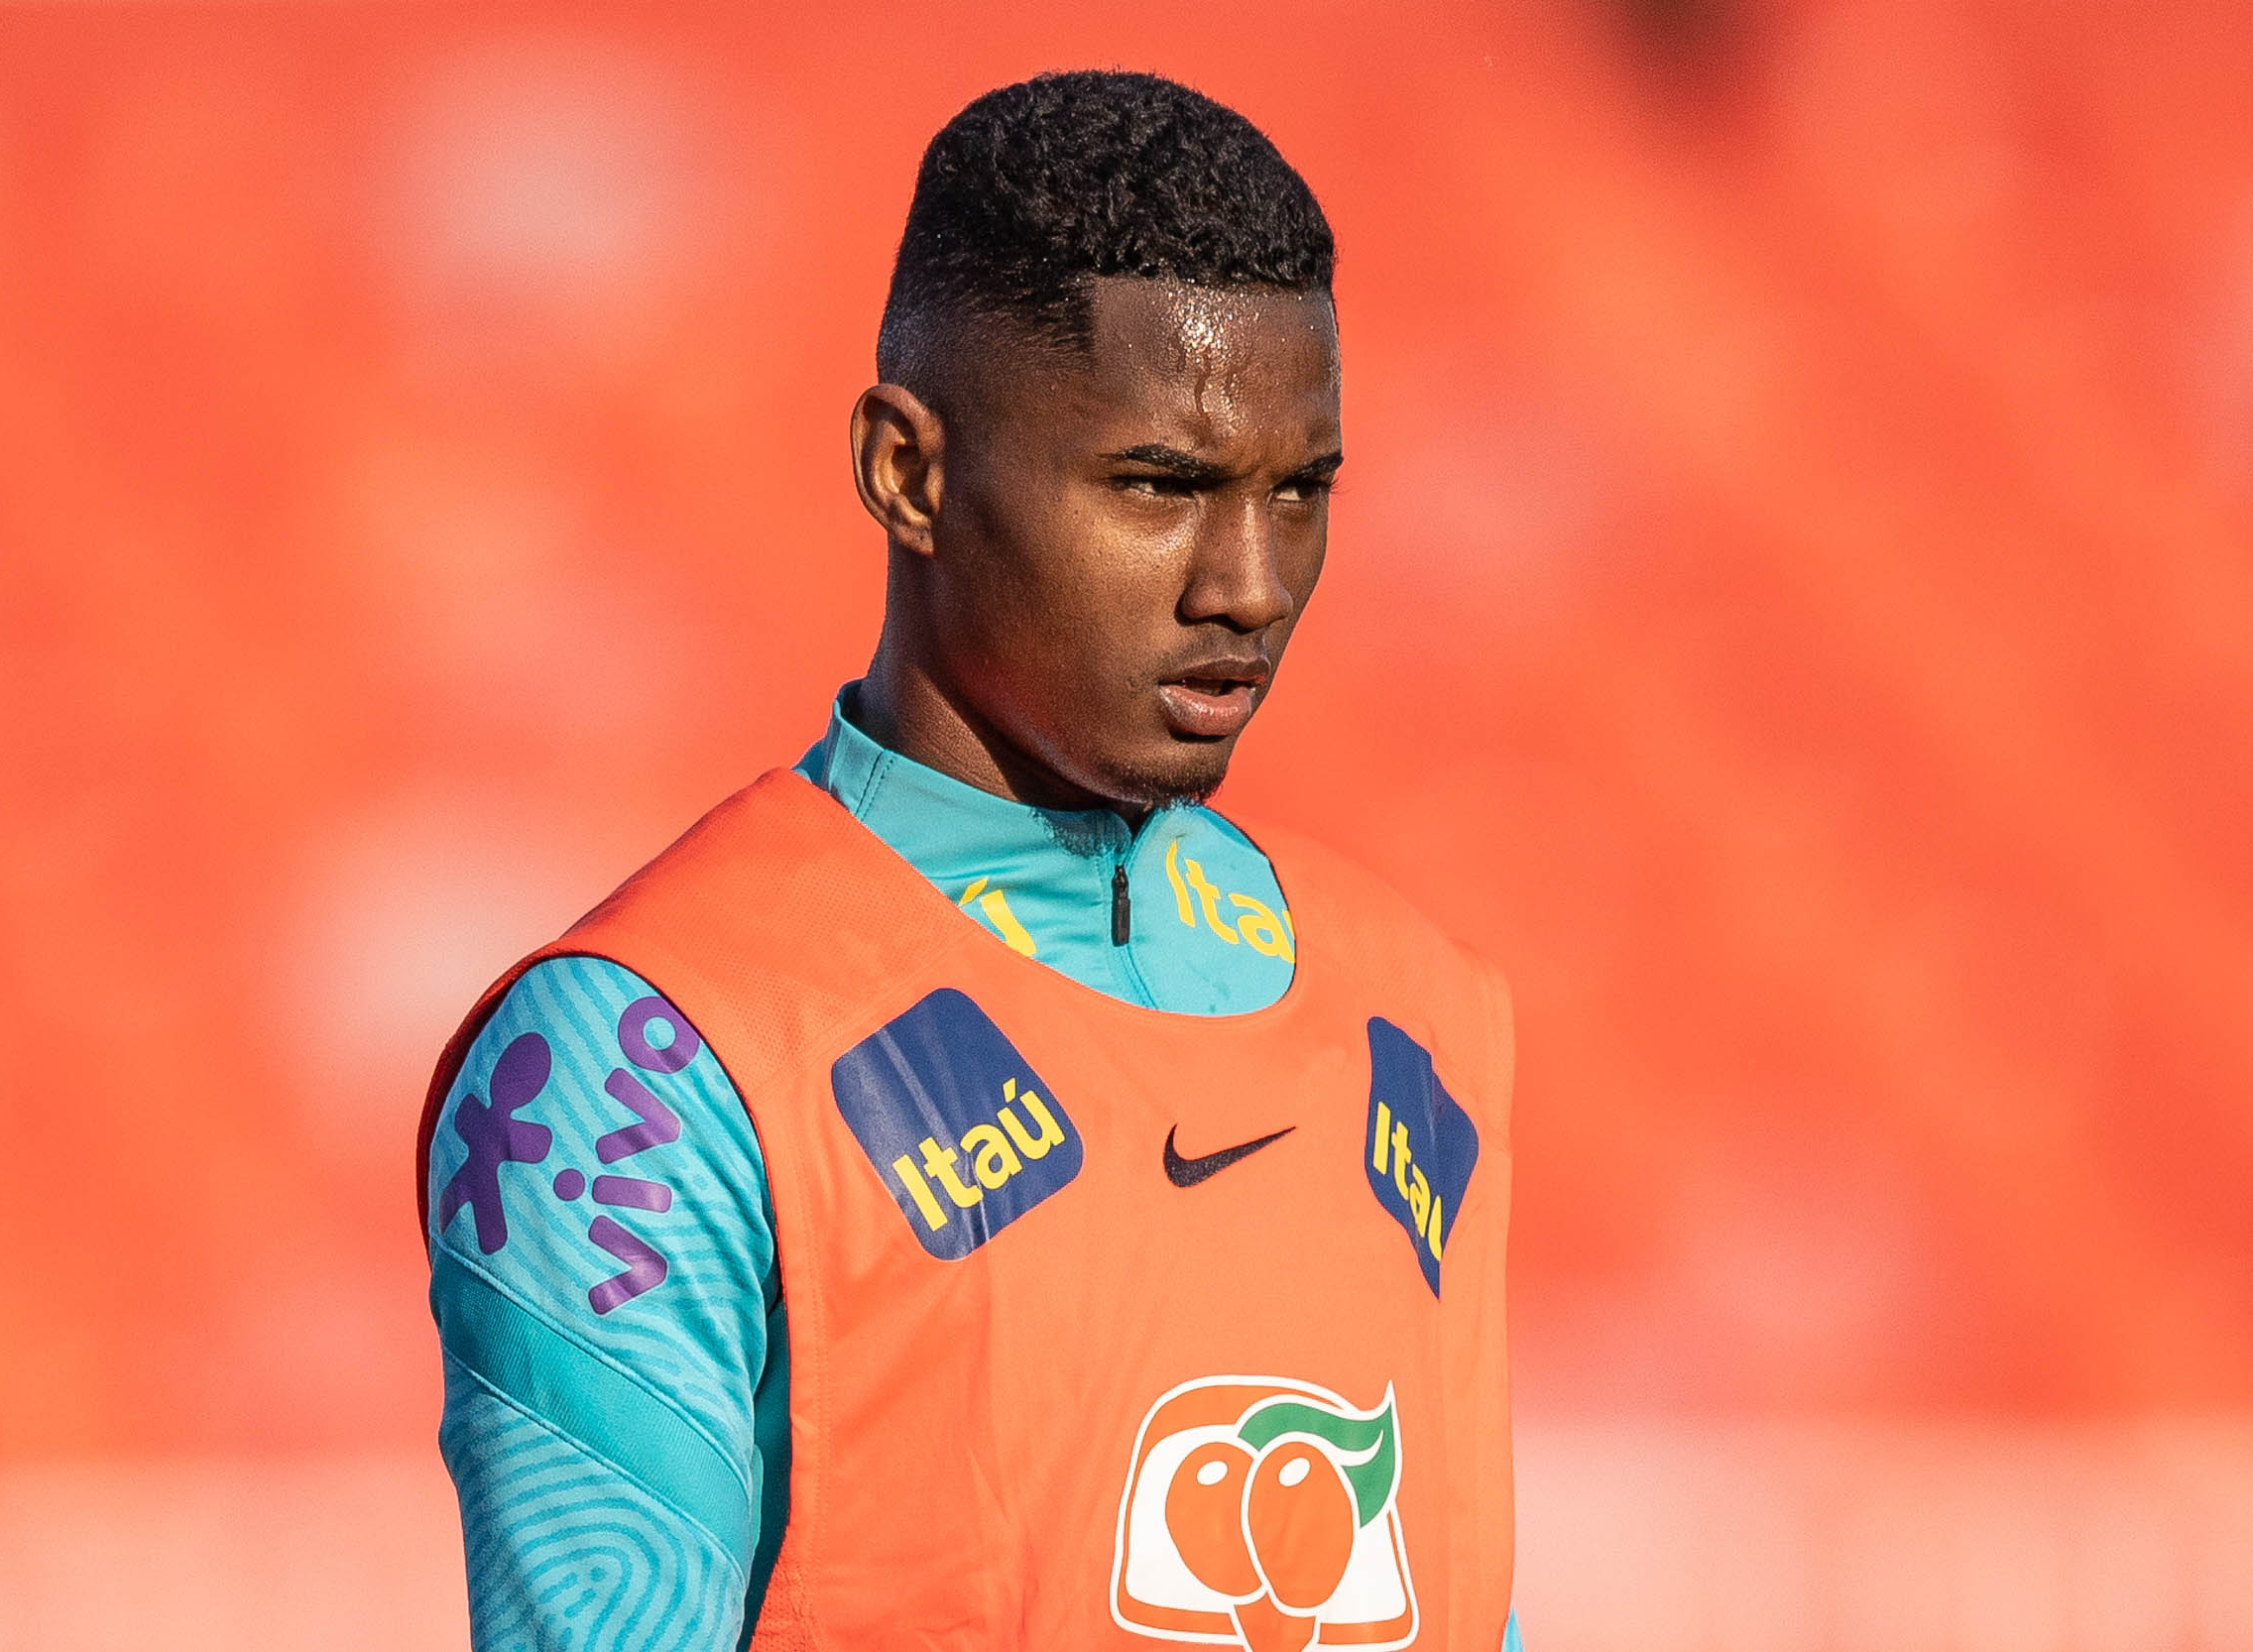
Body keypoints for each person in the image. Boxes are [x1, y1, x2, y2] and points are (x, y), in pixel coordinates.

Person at [419, 70, 1517, 1651]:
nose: (1250, 583)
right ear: (909, 472)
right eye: (1161, 486)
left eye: (1297, 492)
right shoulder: (648, 1051)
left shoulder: (1429, 1018)